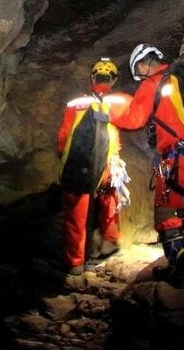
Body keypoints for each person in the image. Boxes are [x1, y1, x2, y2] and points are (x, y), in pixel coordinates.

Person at [112, 43, 184, 287]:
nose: (140, 75)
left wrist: (110, 115)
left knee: (164, 209)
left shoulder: (152, 84)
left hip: (178, 159)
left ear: (143, 64)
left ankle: (177, 264)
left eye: (139, 71)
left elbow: (134, 119)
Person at [56, 57, 132, 276]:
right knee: (109, 200)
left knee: (76, 213)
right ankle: (108, 245)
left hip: (79, 164)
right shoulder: (119, 100)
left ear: (92, 78)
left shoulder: (76, 103)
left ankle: (75, 263)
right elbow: (135, 118)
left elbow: (63, 136)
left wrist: (65, 159)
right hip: (108, 166)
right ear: (113, 80)